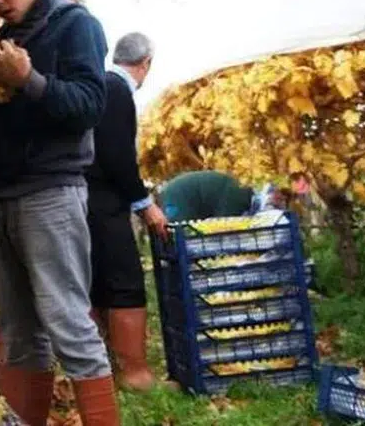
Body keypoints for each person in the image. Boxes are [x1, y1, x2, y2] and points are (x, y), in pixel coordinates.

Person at [0, 0, 119, 426]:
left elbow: (90, 106)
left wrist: (30, 81)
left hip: (49, 194)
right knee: (19, 332)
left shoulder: (74, 27)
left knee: (69, 324)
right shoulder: (1, 41)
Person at [86, 32, 168, 391]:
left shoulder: (99, 85)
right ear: (146, 63)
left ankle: (105, 373)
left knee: (97, 285)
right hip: (104, 203)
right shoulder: (117, 90)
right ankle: (136, 375)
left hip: (83, 202)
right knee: (124, 283)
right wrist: (145, 204)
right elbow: (118, 156)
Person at [159, 170, 307, 222]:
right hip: (181, 195)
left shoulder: (242, 191)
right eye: (280, 199)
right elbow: (224, 226)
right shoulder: (238, 198)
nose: (278, 204)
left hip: (182, 192)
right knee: (181, 236)